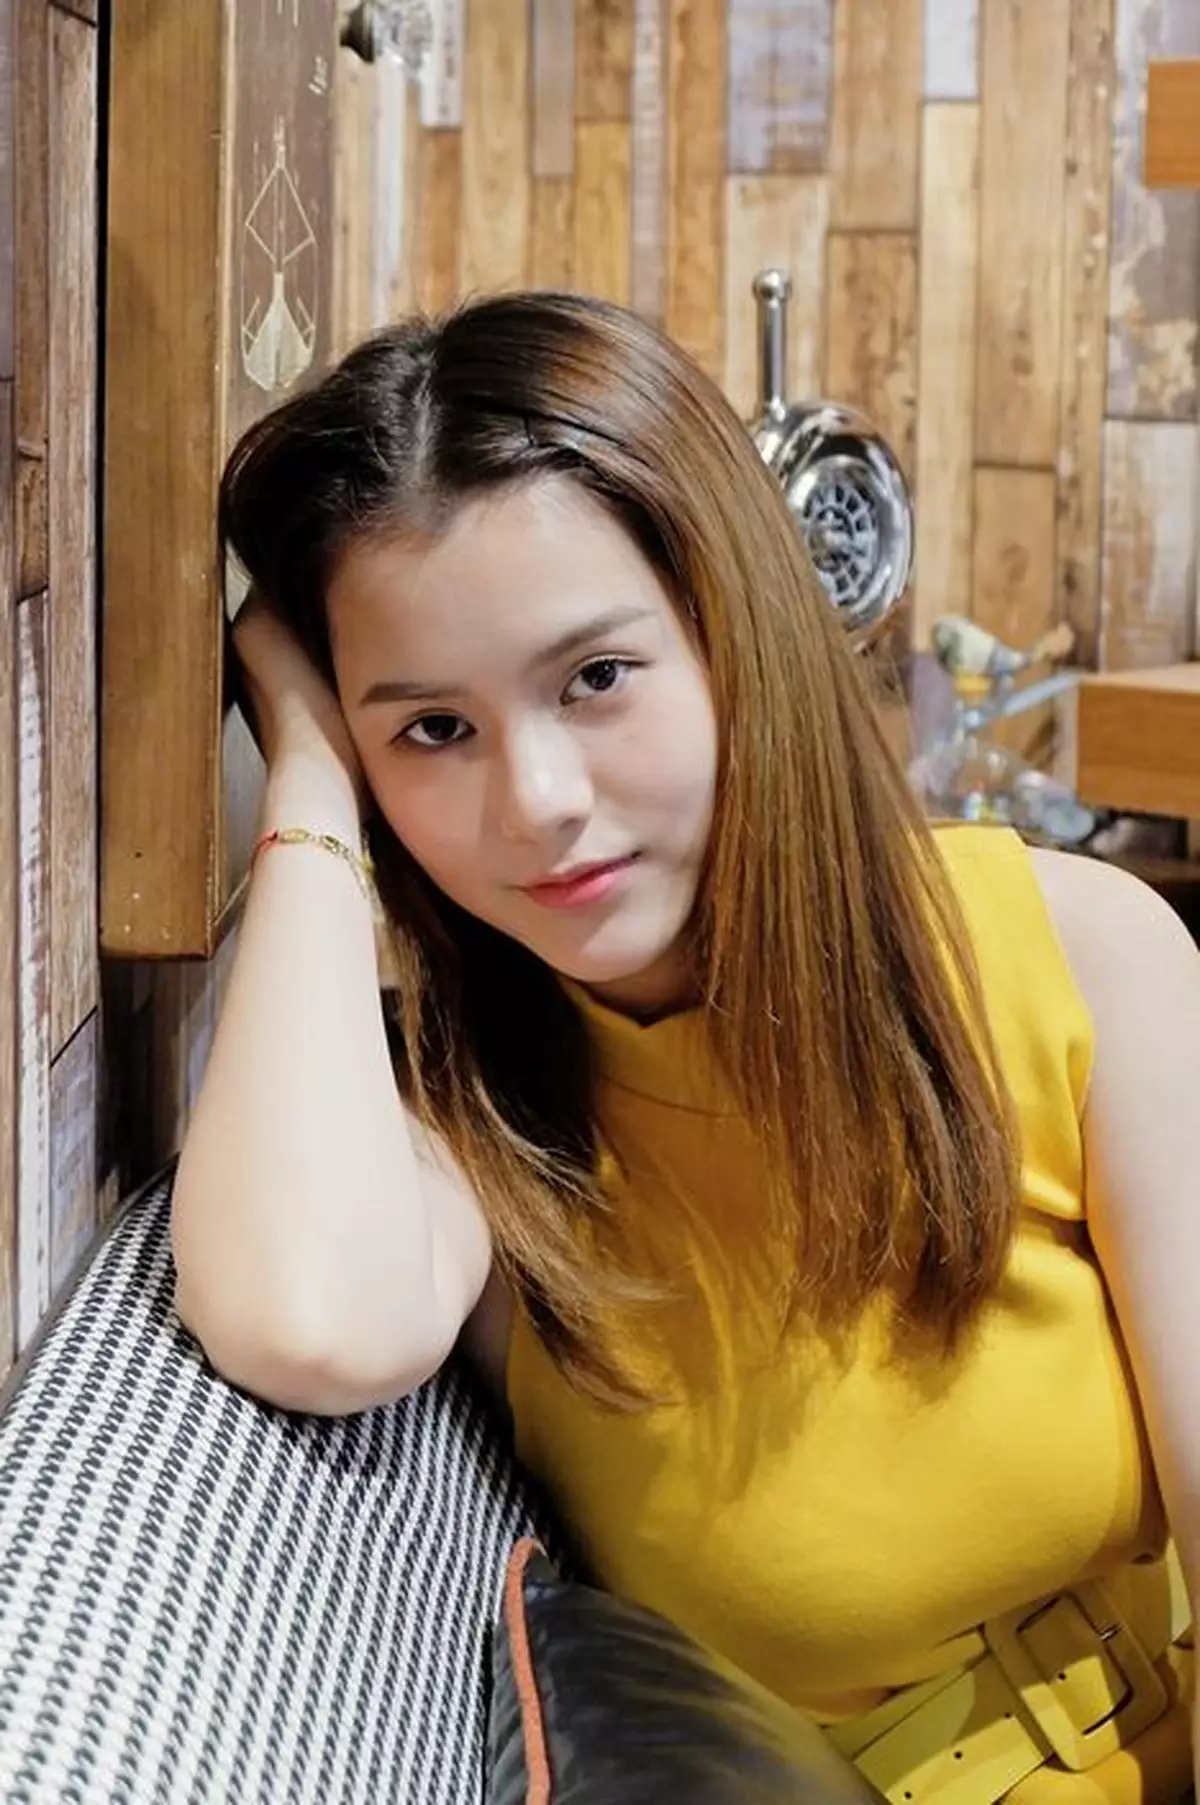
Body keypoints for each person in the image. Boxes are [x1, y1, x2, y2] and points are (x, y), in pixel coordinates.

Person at [172, 291, 1200, 1804]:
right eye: (431, 731)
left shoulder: (1078, 957)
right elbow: (310, 1322)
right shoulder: (474, 1130)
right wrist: (313, 779)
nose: (538, 804)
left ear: (737, 635)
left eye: (595, 679)